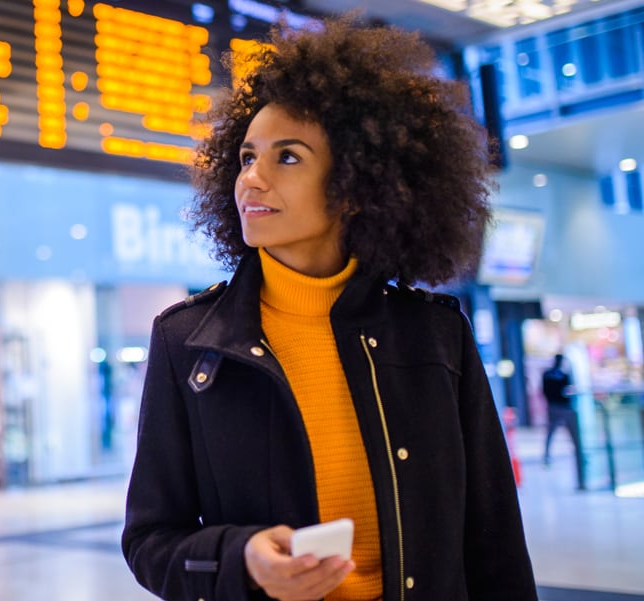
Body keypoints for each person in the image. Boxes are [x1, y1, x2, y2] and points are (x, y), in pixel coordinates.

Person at [121, 17, 536, 601]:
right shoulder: (187, 340)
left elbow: (494, 539)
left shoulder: (436, 336)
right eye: (245, 157)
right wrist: (242, 560)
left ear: (355, 186)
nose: (251, 180)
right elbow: (149, 540)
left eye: (286, 158)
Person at [542, 353, 584, 487]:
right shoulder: (557, 375)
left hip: (558, 406)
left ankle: (549, 456)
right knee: (552, 432)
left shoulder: (554, 374)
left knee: (556, 433)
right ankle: (547, 455)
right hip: (558, 406)